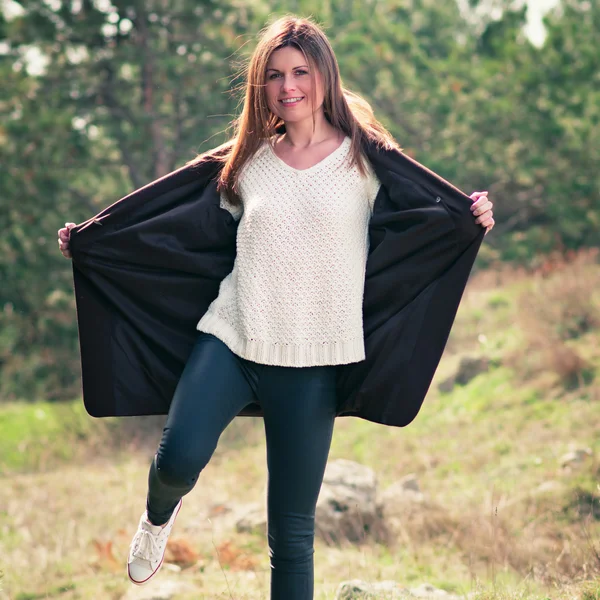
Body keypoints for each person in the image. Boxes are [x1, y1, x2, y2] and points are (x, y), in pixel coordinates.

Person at [58, 15, 494, 600]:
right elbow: (167, 220)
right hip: (234, 336)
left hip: (315, 360)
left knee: (290, 537)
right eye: (275, 75)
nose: (288, 86)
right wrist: (96, 238)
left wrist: (473, 217)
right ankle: (157, 519)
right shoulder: (247, 159)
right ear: (261, 87)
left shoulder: (367, 159)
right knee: (177, 458)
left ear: (324, 77)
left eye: (300, 72)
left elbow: (430, 209)